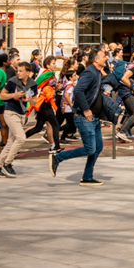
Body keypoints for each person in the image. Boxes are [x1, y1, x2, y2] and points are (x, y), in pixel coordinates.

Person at [49, 48, 107, 187]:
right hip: (83, 116)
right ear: (96, 59)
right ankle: (57, 158)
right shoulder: (89, 72)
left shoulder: (97, 72)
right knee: (90, 149)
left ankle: (87, 177)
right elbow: (78, 90)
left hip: (94, 117)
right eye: (104, 55)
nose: (107, 57)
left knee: (98, 147)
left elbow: (94, 95)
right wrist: (86, 109)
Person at [0, 61, 33, 178]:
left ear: (28, 73)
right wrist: (13, 95)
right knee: (21, 138)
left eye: (21, 71)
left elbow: (34, 100)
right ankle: (8, 163)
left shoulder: (32, 84)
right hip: (10, 112)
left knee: (11, 142)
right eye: (17, 70)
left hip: (21, 114)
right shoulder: (12, 82)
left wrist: (29, 100)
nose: (18, 73)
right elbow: (1, 96)